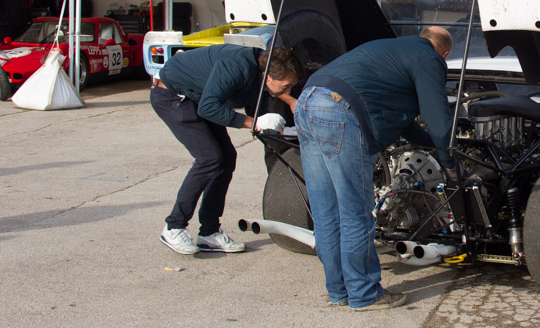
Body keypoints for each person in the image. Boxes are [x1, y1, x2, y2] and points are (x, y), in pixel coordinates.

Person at [295, 26, 455, 311]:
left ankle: (339, 291)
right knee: (355, 211)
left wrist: (429, 145)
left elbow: (404, 121)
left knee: (326, 209)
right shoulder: (429, 58)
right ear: (444, 53)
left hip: (308, 101)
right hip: (339, 111)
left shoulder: (391, 48)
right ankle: (365, 294)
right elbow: (437, 117)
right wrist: (449, 160)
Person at [152, 44, 300, 254]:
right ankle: (174, 226)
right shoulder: (236, 68)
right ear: (268, 77)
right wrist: (256, 123)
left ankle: (210, 232)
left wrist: (285, 119)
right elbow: (209, 107)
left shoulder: (263, 67)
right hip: (173, 96)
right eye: (286, 86)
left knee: (227, 158)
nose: (288, 91)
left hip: (198, 97)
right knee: (209, 158)